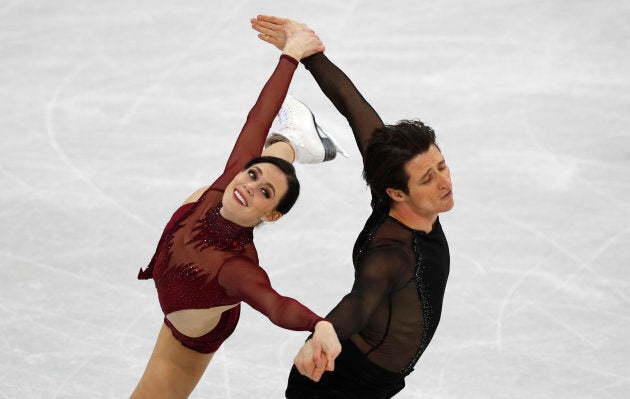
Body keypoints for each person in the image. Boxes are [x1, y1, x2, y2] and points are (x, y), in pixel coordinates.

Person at [131, 28, 342, 399]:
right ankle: (289, 144)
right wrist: (290, 55)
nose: (248, 184)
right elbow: (258, 117)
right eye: (252, 176)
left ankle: (289, 149)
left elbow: (276, 304)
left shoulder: (234, 268)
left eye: (265, 193)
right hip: (183, 276)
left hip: (194, 317)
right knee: (229, 182)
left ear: (274, 216)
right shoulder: (232, 181)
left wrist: (319, 324)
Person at [251, 15, 454, 399]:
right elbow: (360, 301)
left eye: (441, 166)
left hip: (367, 376)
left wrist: (310, 53)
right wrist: (325, 329)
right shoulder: (393, 253)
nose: (444, 183)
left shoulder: (388, 175)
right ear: (398, 192)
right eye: (427, 178)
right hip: (340, 384)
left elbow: (352, 104)